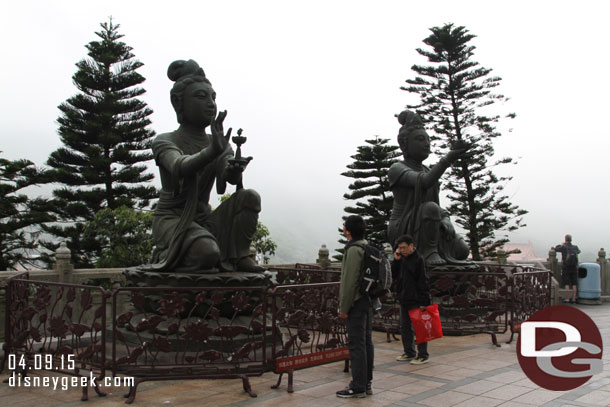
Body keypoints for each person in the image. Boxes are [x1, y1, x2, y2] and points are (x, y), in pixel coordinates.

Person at [146, 59, 263, 273]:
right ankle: (165, 253)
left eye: (213, 97)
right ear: (178, 102)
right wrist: (212, 152)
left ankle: (239, 255)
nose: (211, 103)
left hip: (204, 220)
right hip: (173, 219)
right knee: (207, 253)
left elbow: (228, 180)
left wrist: (235, 169)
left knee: (250, 197)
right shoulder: (165, 141)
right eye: (201, 97)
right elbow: (179, 166)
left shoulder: (218, 142)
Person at [387, 110, 471, 265]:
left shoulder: (427, 170)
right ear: (405, 144)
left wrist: (446, 219)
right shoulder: (397, 168)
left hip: (429, 223)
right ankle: (429, 253)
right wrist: (449, 158)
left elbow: (438, 208)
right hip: (404, 228)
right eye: (420, 139)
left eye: (428, 140)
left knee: (462, 250)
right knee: (430, 208)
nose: (426, 144)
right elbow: (424, 182)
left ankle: (434, 250)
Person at [336, 215, 374, 398]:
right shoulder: (366, 246)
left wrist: (344, 308)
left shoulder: (353, 250)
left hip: (356, 304)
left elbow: (349, 282)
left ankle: (358, 386)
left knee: (356, 344)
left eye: (344, 225)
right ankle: (366, 383)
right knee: (366, 342)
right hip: (367, 302)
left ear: (348, 230)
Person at [392, 234, 431, 365]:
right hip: (404, 298)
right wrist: (396, 260)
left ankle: (423, 354)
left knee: (419, 328)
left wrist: (424, 302)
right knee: (405, 327)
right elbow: (394, 274)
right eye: (399, 248)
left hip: (416, 299)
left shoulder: (419, 260)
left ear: (411, 246)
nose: (401, 250)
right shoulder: (401, 259)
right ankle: (409, 351)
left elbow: (423, 281)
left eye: (404, 248)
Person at [554, 234, 581, 303]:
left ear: (565, 239)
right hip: (574, 267)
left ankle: (567, 298)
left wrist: (562, 244)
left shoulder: (564, 247)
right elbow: (579, 251)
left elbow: (556, 248)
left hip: (566, 267)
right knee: (574, 283)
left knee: (566, 282)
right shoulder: (575, 247)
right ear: (571, 239)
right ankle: (574, 299)